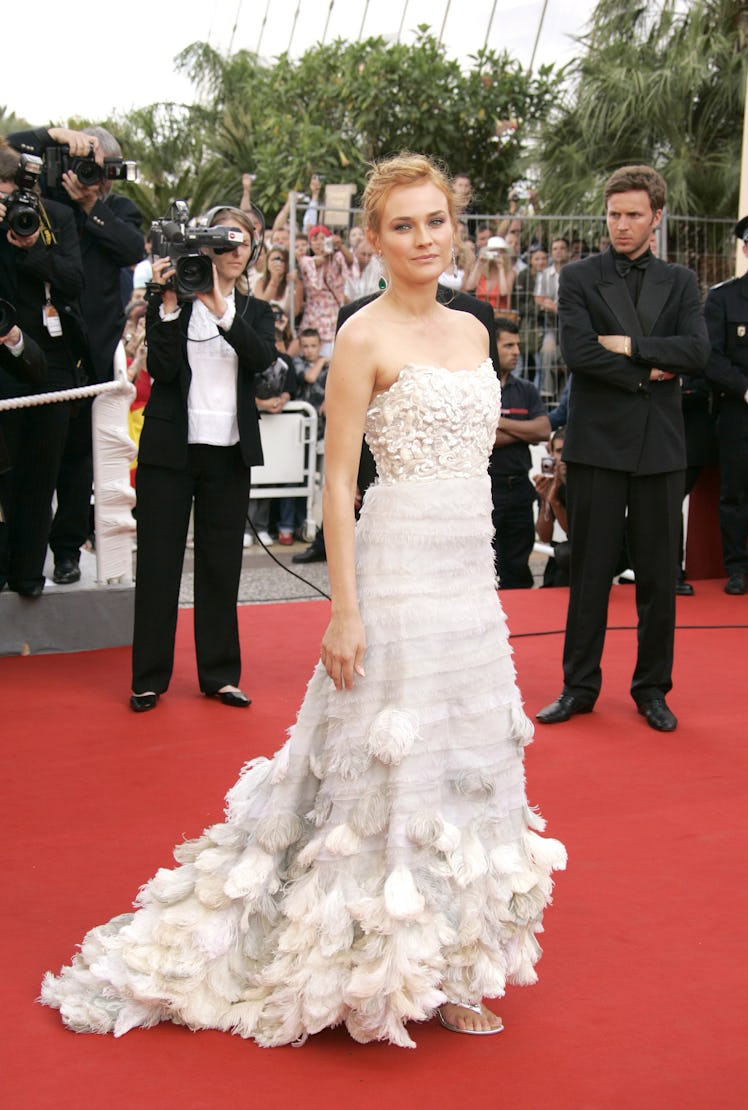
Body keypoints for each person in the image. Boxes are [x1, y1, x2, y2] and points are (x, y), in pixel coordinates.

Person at [41, 152, 566, 1047]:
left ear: (454, 227)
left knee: (468, 754)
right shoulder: (362, 334)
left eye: (435, 221)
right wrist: (345, 609)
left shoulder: (477, 332)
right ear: (374, 239)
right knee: (391, 764)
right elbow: (336, 486)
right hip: (396, 570)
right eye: (402, 225)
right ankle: (380, 964)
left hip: (468, 575)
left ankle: (455, 956)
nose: (423, 239)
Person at [537, 164, 710, 733]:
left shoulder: (681, 282)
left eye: (634, 215)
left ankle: (653, 689)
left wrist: (633, 344)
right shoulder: (580, 277)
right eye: (614, 215)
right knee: (589, 573)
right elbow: (581, 353)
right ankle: (578, 686)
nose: (621, 225)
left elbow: (696, 353)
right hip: (597, 445)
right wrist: (650, 371)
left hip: (660, 447)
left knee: (660, 576)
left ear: (656, 216)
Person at [127, 204, 276, 712]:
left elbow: (261, 360)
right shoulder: (174, 301)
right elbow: (163, 372)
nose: (234, 250)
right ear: (205, 247)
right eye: (224, 240)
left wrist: (221, 308)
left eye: (242, 241)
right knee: (158, 566)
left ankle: (219, 675)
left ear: (253, 249)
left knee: (220, 567)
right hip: (170, 452)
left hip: (228, 454)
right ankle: (148, 679)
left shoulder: (255, 313)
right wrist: (168, 304)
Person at [9, 124, 145, 584]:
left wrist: (91, 206)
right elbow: (11, 149)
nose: (93, 175)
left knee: (77, 458)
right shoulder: (44, 202)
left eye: (102, 169)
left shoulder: (115, 209)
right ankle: (25, 553)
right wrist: (56, 135)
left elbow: (133, 250)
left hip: (93, 350)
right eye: (85, 164)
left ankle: (67, 548)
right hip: (44, 345)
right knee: (31, 456)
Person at [0, 146, 88, 597]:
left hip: (49, 365)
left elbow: (75, 282)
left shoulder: (54, 217)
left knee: (41, 476)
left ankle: (29, 576)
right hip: (2, 364)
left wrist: (33, 245)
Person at [703, 215, 748, 597]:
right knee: (736, 492)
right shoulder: (723, 298)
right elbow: (710, 357)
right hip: (739, 411)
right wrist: (746, 389)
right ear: (746, 249)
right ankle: (737, 568)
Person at [489, 317, 550, 588]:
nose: (517, 351)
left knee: (517, 567)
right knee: (486, 567)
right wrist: (522, 430)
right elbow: (480, 439)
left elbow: (542, 430)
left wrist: (498, 422)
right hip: (488, 490)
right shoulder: (478, 388)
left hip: (520, 491)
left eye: (518, 345)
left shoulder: (526, 390)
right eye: (509, 345)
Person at [533, 426, 570, 587]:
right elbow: (544, 536)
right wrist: (545, 500)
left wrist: (554, 502)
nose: (564, 458)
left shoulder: (590, 484)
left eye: (568, 451)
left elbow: (575, 532)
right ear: (552, 454)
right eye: (560, 451)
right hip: (560, 555)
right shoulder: (549, 482)